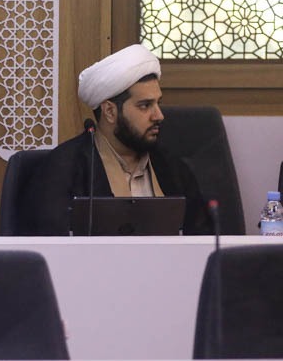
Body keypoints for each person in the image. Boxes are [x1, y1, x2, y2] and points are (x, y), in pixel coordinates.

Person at [23, 44, 211, 235]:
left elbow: (202, 237)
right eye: (145, 106)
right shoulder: (63, 170)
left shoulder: (172, 168)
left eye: (157, 104)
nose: (159, 115)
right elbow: (50, 243)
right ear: (110, 112)